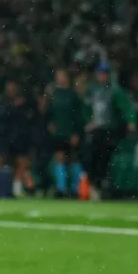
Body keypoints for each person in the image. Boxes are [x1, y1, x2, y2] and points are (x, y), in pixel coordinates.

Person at [85, 63, 137, 199]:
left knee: (105, 160)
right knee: (93, 159)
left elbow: (126, 107)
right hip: (95, 130)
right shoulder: (93, 90)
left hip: (108, 130)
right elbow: (87, 109)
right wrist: (89, 121)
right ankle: (95, 186)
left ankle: (102, 187)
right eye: (100, 74)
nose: (102, 76)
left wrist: (131, 121)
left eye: (104, 74)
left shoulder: (114, 90)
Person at [48, 69, 86, 197]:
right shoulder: (54, 94)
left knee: (74, 159)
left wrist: (76, 132)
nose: (59, 79)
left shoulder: (73, 95)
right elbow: (50, 112)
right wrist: (51, 123)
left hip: (71, 132)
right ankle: (61, 189)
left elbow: (78, 115)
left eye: (61, 76)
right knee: (60, 158)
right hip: (59, 132)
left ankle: (76, 189)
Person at [0, 80, 36, 197]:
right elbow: (3, 117)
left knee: (21, 165)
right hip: (7, 139)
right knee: (4, 164)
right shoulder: (5, 102)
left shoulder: (25, 102)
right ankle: (1, 188)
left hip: (20, 138)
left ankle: (16, 189)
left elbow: (30, 118)